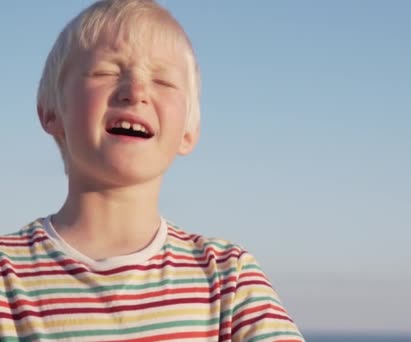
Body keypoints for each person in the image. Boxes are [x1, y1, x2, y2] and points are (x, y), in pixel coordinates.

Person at [0, 1, 304, 341]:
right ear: (50, 111)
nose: (136, 91)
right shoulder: (8, 276)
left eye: (163, 81)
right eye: (106, 72)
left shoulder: (228, 279)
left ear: (188, 132)